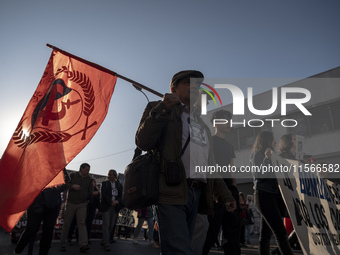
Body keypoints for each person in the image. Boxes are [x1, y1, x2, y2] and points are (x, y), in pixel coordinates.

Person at [135, 70, 236, 255]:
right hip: (170, 192)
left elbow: (210, 167)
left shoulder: (202, 126)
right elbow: (143, 141)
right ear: (173, 89)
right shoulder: (157, 108)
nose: (196, 87)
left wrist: (226, 196)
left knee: (188, 248)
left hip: (197, 196)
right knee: (179, 250)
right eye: (190, 83)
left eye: (198, 84)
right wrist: (163, 108)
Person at [202, 109, 242, 255]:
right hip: (215, 190)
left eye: (229, 120)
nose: (229, 123)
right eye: (225, 120)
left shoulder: (229, 146)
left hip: (230, 190)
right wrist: (211, 190)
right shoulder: (209, 141)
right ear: (215, 123)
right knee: (210, 232)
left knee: (233, 234)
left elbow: (231, 168)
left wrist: (234, 190)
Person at [251, 131, 293, 255]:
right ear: (267, 140)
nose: (275, 142)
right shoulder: (257, 155)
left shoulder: (274, 156)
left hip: (272, 196)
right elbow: (259, 175)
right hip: (263, 195)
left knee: (265, 235)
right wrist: (267, 160)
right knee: (281, 232)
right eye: (273, 139)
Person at [13, 168, 69, 255]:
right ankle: (17, 252)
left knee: (48, 231)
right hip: (36, 202)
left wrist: (54, 188)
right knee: (31, 229)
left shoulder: (58, 163)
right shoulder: (35, 162)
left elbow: (66, 182)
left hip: (53, 204)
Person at [59, 163, 94, 253]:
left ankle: (83, 245)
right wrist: (72, 186)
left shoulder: (89, 179)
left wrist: (89, 198)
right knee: (67, 223)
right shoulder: (73, 175)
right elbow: (65, 185)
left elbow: (90, 191)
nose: (88, 172)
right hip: (71, 203)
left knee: (82, 223)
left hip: (82, 204)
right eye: (86, 170)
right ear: (81, 169)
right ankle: (62, 244)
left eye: (88, 170)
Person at [100, 169, 122, 251]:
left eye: (111, 174)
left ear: (115, 176)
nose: (109, 176)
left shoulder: (119, 185)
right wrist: (110, 202)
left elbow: (121, 196)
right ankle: (107, 243)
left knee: (111, 225)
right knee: (106, 224)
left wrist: (116, 201)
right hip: (106, 206)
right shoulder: (104, 184)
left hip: (115, 207)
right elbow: (103, 194)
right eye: (108, 174)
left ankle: (104, 239)